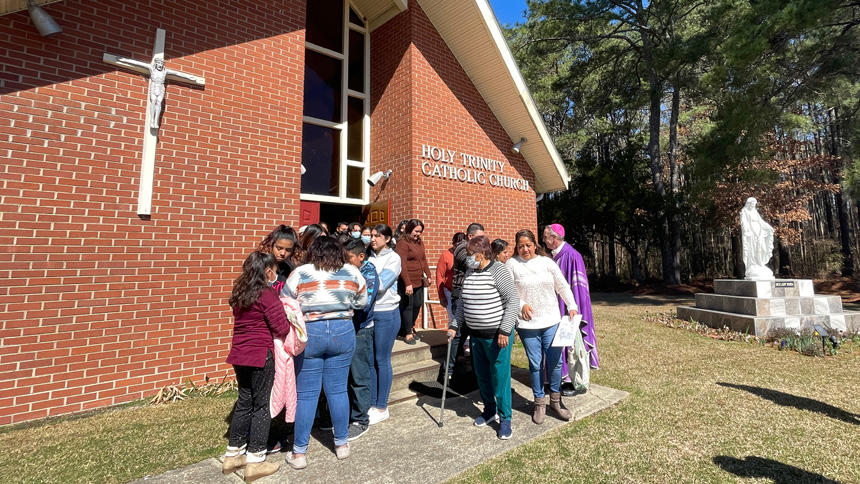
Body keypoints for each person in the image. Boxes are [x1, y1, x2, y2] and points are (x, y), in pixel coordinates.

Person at [283, 237, 368, 469]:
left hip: (311, 331)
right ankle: (341, 444)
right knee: (338, 389)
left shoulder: (301, 272)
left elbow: (286, 301)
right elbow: (362, 300)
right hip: (343, 329)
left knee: (308, 394)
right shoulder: (351, 271)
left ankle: (299, 453)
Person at [222, 251, 289, 481]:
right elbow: (281, 327)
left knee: (244, 402)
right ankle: (256, 460)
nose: (276, 274)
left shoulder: (240, 292)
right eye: (273, 270)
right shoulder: (267, 293)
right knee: (262, 406)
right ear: (266, 271)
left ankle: (233, 455)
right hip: (261, 355)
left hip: (239, 355)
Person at [446, 235, 519, 440]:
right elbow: (462, 304)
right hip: (476, 336)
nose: (467, 259)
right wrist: (454, 325)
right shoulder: (470, 272)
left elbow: (513, 301)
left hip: (498, 336)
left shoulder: (498, 270)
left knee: (500, 377)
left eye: (470, 254)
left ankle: (505, 418)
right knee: (483, 376)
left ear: (482, 253)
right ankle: (489, 409)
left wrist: (505, 330)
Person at [506, 229, 578, 424]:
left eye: (528, 245)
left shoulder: (547, 262)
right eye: (520, 246)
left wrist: (571, 306)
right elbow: (509, 292)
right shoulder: (511, 264)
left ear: (535, 244)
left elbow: (562, 285)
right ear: (516, 247)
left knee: (555, 362)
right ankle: (539, 402)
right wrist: (521, 305)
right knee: (536, 363)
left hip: (551, 321)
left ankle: (555, 400)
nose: (524, 249)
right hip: (528, 324)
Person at [543, 224, 599, 376]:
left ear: (554, 238)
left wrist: (574, 308)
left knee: (570, 342)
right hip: (554, 307)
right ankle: (558, 377)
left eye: (545, 237)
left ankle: (572, 379)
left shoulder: (572, 256)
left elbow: (580, 287)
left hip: (569, 309)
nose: (544, 241)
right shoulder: (552, 257)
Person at [367, 224, 402, 425]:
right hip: (370, 313)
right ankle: (372, 403)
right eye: (371, 235)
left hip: (386, 313)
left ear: (387, 238)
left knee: (382, 359)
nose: (373, 239)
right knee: (370, 360)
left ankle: (382, 406)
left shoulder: (393, 258)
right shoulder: (369, 257)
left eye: (377, 236)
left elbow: (379, 286)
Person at [344, 238, 379, 441]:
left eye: (348, 258)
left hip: (361, 329)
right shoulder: (347, 271)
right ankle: (347, 415)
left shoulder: (368, 274)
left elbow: (364, 305)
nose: (345, 262)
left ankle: (360, 420)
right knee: (346, 376)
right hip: (345, 328)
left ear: (360, 257)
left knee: (359, 376)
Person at [446, 223, 485, 378]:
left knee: (475, 335)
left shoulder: (476, 249)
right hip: (461, 297)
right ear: (470, 236)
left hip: (475, 297)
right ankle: (448, 371)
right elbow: (472, 263)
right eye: (480, 236)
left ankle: (478, 371)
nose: (483, 239)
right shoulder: (462, 248)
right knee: (458, 335)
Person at [395, 219, 433, 345]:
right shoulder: (402, 243)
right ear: (409, 229)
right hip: (407, 280)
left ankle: (410, 326)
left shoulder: (419, 242)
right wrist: (407, 283)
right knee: (408, 306)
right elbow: (402, 264)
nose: (418, 234)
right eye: (416, 231)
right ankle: (406, 333)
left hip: (418, 280)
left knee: (417, 304)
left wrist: (428, 274)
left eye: (420, 232)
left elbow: (423, 260)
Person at [740, 197, 775, 279]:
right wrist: (747, 230)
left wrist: (768, 227)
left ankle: (760, 263)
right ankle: (753, 264)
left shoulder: (755, 212)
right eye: (752, 204)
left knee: (762, 248)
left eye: (754, 204)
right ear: (748, 204)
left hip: (759, 232)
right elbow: (744, 222)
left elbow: (761, 222)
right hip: (751, 233)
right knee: (753, 249)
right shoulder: (744, 211)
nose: (753, 206)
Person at [437, 232, 466, 326]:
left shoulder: (466, 254)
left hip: (464, 291)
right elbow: (439, 276)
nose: (458, 247)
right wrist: (441, 296)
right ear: (452, 243)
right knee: (453, 318)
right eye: (456, 244)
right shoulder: (446, 255)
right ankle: (452, 339)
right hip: (450, 291)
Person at [258, 225, 298, 293]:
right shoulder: (260, 264)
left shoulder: (290, 269)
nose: (283, 253)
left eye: (288, 250)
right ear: (271, 245)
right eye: (279, 248)